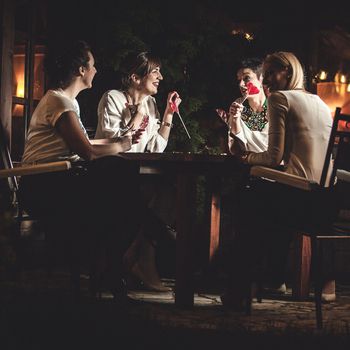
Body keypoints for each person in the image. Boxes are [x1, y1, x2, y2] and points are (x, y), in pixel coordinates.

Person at [19, 40, 156, 300]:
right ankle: (119, 262)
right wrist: (123, 144)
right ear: (81, 70)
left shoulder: (67, 102)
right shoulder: (59, 103)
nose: (96, 70)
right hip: (43, 184)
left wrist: (118, 141)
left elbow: (84, 143)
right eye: (92, 65)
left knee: (121, 191)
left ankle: (111, 267)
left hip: (59, 178)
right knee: (121, 184)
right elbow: (87, 152)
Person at [220, 51, 334, 309]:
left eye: (272, 72)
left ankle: (238, 289)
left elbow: (273, 157)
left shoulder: (280, 98)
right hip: (327, 202)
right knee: (255, 199)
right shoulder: (319, 102)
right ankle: (278, 276)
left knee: (246, 202)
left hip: (300, 200)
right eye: (266, 73)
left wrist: (245, 158)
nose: (267, 79)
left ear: (289, 73)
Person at [95, 51, 181, 292]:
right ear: (135, 77)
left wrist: (167, 115)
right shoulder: (112, 98)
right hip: (113, 172)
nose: (161, 77)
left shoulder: (151, 104)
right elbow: (113, 142)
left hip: (142, 173)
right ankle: (140, 257)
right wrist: (137, 117)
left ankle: (137, 255)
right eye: (155, 71)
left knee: (170, 192)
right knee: (148, 197)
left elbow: (156, 147)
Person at [217, 58, 287, 294]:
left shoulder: (275, 107)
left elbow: (274, 147)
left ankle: (265, 274)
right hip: (248, 170)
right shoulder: (239, 107)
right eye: (238, 80)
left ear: (260, 80)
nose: (241, 84)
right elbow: (236, 148)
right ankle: (236, 273)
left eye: (247, 78)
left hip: (276, 170)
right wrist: (234, 122)